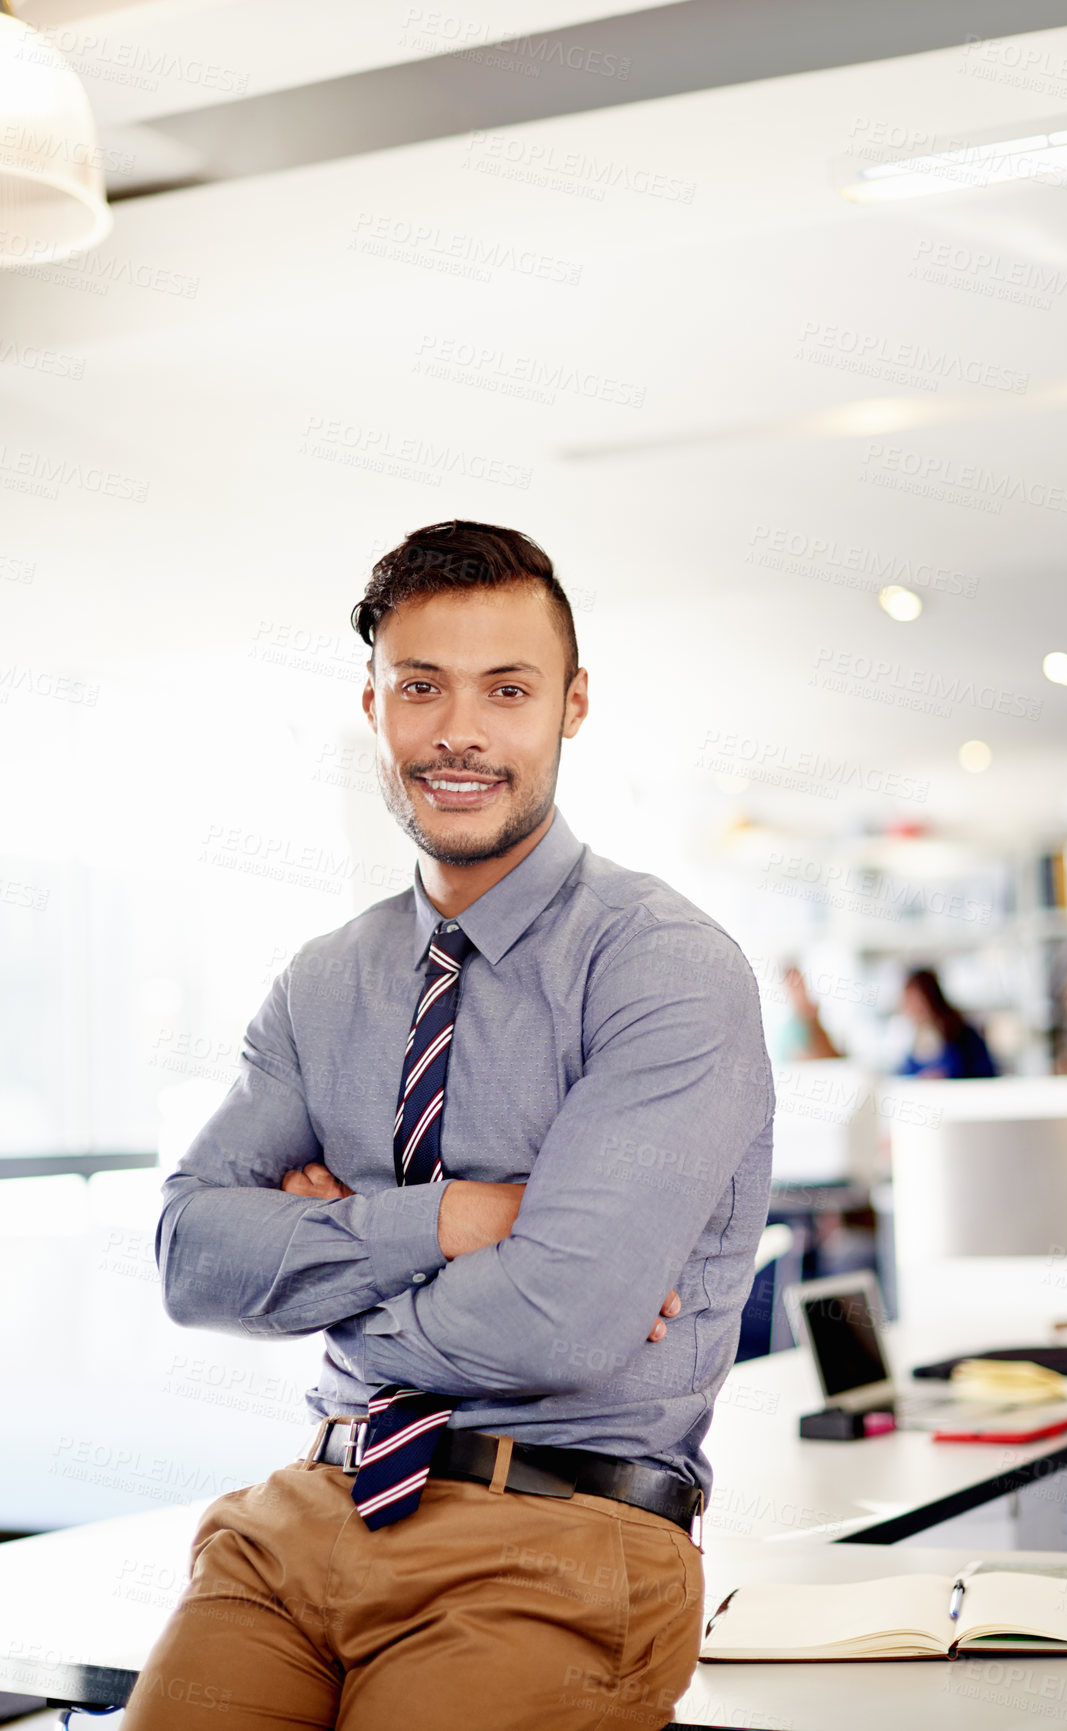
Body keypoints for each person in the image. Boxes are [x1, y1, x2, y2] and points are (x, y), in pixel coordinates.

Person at [122, 520, 776, 1731]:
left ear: (572, 706)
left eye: (507, 691)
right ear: (372, 703)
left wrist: (331, 1267)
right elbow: (188, 1259)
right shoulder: (324, 981)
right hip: (299, 1519)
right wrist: (461, 1220)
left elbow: (562, 1324)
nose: (458, 732)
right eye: (420, 687)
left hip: (557, 1542)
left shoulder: (664, 967)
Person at [896, 966, 997, 1079]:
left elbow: (983, 1073)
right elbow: (905, 1073)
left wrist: (945, 1076)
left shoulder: (961, 1035)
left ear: (930, 999)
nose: (911, 1009)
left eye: (916, 1002)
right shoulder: (918, 1038)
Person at [772, 964, 841, 1063]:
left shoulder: (817, 1018)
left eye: (800, 985)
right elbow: (801, 1060)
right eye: (793, 987)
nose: (799, 993)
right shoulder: (787, 1031)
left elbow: (833, 1055)